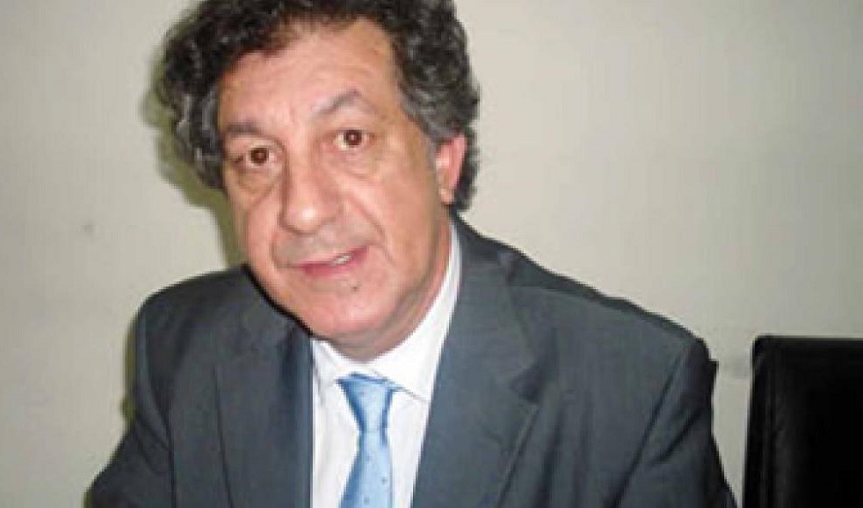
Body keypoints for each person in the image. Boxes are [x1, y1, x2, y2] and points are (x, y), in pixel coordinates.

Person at [91, 0, 736, 506]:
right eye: (258, 157)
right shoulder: (181, 350)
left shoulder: (631, 392)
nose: (303, 210)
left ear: (443, 160)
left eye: (350, 138)